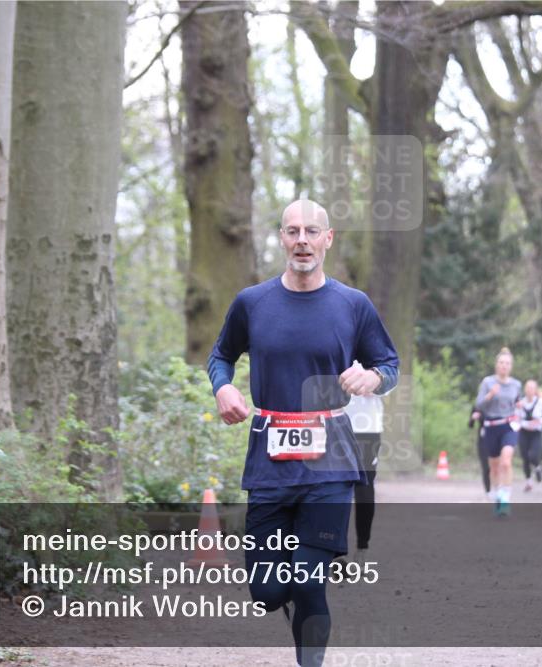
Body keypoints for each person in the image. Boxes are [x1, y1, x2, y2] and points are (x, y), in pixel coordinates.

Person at [208, 199, 399, 667]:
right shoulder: (252, 303)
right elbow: (220, 356)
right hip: (269, 460)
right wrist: (224, 388)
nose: (302, 240)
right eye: (292, 231)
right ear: (281, 238)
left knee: (310, 580)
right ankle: (290, 591)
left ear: (327, 239)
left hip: (329, 462)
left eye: (311, 231)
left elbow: (389, 365)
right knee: (267, 591)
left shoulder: (353, 305)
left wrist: (372, 379)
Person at [471, 348, 521, 516]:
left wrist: (519, 414)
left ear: (511, 366)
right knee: (493, 467)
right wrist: (490, 395)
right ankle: (498, 493)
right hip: (491, 426)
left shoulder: (516, 384)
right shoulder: (488, 382)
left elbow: (517, 403)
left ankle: (505, 496)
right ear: (496, 365)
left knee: (506, 462)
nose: (504, 366)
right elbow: (478, 405)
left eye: (507, 363)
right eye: (501, 363)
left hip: (508, 425)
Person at [343, 391, 383, 564]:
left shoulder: (375, 363)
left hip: (368, 428)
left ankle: (362, 548)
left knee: (364, 488)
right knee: (333, 487)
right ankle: (335, 551)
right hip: (334, 423)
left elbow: (388, 380)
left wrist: (372, 380)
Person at [515, 379, 542, 492]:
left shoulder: (541, 402)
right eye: (528, 388)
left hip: (536, 433)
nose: (530, 390)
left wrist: (540, 421)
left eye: (532, 388)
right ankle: (528, 481)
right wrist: (521, 422)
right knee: (525, 457)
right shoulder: (521, 403)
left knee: (533, 455)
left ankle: (537, 467)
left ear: (535, 390)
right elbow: (516, 417)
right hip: (523, 431)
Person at [468, 405, 490, 498]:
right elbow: (470, 425)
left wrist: (481, 416)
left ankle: (500, 490)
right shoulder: (477, 406)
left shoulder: (498, 404)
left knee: (496, 465)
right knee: (485, 466)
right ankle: (488, 491)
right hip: (483, 439)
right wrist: (473, 418)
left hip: (497, 437)